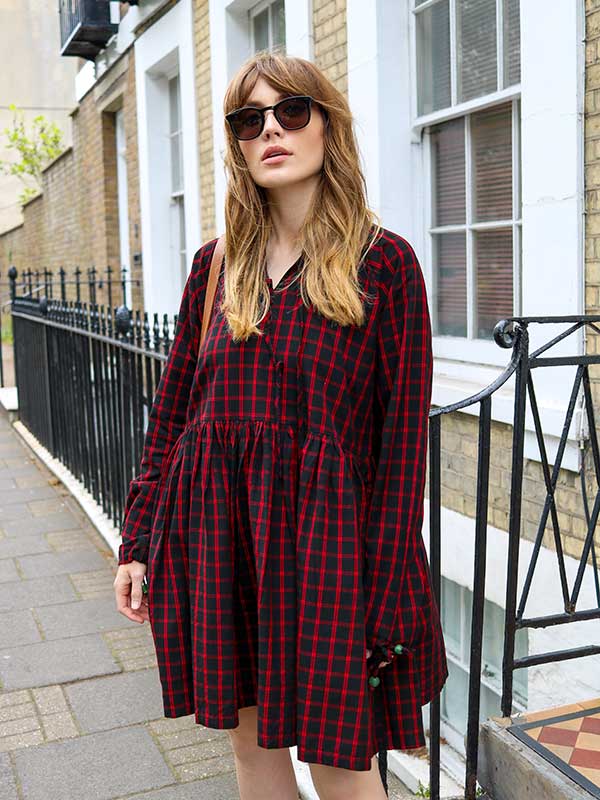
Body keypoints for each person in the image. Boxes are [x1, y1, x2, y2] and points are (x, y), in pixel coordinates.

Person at [113, 51, 447, 800]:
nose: (270, 130)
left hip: (328, 550)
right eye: (247, 120)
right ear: (235, 143)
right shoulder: (215, 267)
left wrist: (390, 579)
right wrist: (137, 542)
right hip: (220, 539)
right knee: (251, 751)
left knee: (341, 764)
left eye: (291, 111)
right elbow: (173, 418)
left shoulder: (383, 265)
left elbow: (401, 451)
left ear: (327, 125)